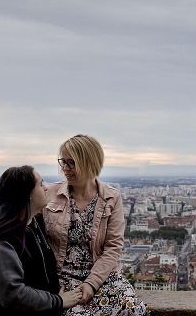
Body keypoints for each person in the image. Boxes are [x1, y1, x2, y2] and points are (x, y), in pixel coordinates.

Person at [43, 134, 150, 316]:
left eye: (72, 163)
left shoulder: (111, 197)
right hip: (61, 278)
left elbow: (113, 247)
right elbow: (25, 225)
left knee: (133, 309)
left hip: (102, 276)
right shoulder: (49, 193)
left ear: (89, 162)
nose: (65, 169)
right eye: (63, 162)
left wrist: (92, 283)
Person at [0, 165, 83, 315]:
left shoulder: (32, 222)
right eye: (40, 184)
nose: (46, 188)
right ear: (27, 195)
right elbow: (12, 294)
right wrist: (57, 301)